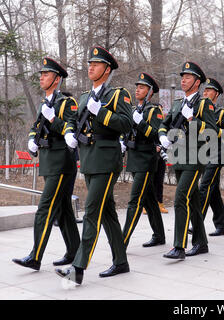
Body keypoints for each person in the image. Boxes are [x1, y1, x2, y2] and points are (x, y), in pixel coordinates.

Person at [55, 46, 132, 285]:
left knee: (91, 212)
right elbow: (72, 120)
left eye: (96, 64)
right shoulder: (84, 97)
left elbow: (127, 124)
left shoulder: (118, 95)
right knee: (107, 213)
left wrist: (102, 113)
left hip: (107, 161)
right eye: (89, 63)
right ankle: (121, 262)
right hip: (89, 160)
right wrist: (68, 131)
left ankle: (78, 267)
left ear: (107, 69)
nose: (90, 67)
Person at [12, 58, 80, 271]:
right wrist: (32, 139)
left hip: (61, 161)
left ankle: (35, 255)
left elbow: (72, 128)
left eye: (46, 74)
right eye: (41, 74)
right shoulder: (45, 103)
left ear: (57, 79)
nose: (41, 77)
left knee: (45, 208)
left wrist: (53, 120)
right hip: (49, 161)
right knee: (63, 210)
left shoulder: (67, 103)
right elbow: (36, 126)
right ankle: (75, 252)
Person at [158, 61, 218, 259]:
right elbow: (163, 124)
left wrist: (193, 120)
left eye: (188, 77)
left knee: (180, 198)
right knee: (192, 201)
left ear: (197, 81)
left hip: (195, 156)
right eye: (182, 77)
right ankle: (201, 243)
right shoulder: (177, 104)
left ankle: (179, 246)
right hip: (179, 156)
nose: (183, 80)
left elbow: (212, 132)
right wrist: (162, 136)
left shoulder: (203, 104)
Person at [120, 72, 166, 248]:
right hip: (133, 157)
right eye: (137, 87)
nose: (137, 90)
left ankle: (122, 240)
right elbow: (126, 131)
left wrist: (141, 123)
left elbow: (155, 134)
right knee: (149, 199)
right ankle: (160, 235)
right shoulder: (132, 109)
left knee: (135, 200)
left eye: (142, 88)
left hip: (146, 159)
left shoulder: (154, 110)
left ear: (150, 92)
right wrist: (123, 142)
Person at [198, 77, 224, 236]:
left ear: (216, 94)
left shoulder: (222, 112)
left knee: (204, 187)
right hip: (202, 153)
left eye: (209, 90)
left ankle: (196, 222)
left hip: (216, 153)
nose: (205, 93)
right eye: (204, 90)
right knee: (213, 190)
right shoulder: (199, 109)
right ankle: (221, 224)